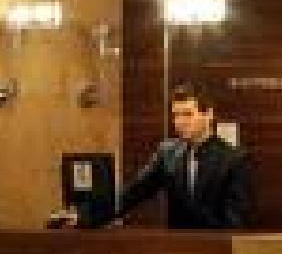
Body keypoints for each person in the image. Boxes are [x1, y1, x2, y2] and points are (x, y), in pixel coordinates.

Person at [98, 86, 253, 229]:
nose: (180, 122)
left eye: (187, 114)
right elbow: (134, 193)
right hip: (176, 244)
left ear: (208, 114)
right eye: (176, 115)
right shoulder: (168, 153)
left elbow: (235, 220)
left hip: (216, 245)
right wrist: (92, 216)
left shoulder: (233, 159)